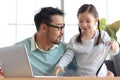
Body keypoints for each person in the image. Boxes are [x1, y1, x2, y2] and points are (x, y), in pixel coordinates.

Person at [53, 4, 119, 77]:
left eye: (88, 21)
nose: (84, 24)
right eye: (81, 21)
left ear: (96, 20)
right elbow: (68, 55)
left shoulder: (103, 36)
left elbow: (114, 52)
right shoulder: (74, 40)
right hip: (83, 77)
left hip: (102, 76)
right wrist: (60, 65)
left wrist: (114, 46)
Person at [0, 7, 67, 77]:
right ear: (44, 28)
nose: (62, 32)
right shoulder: (17, 51)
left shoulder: (67, 49)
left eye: (63, 27)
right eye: (59, 27)